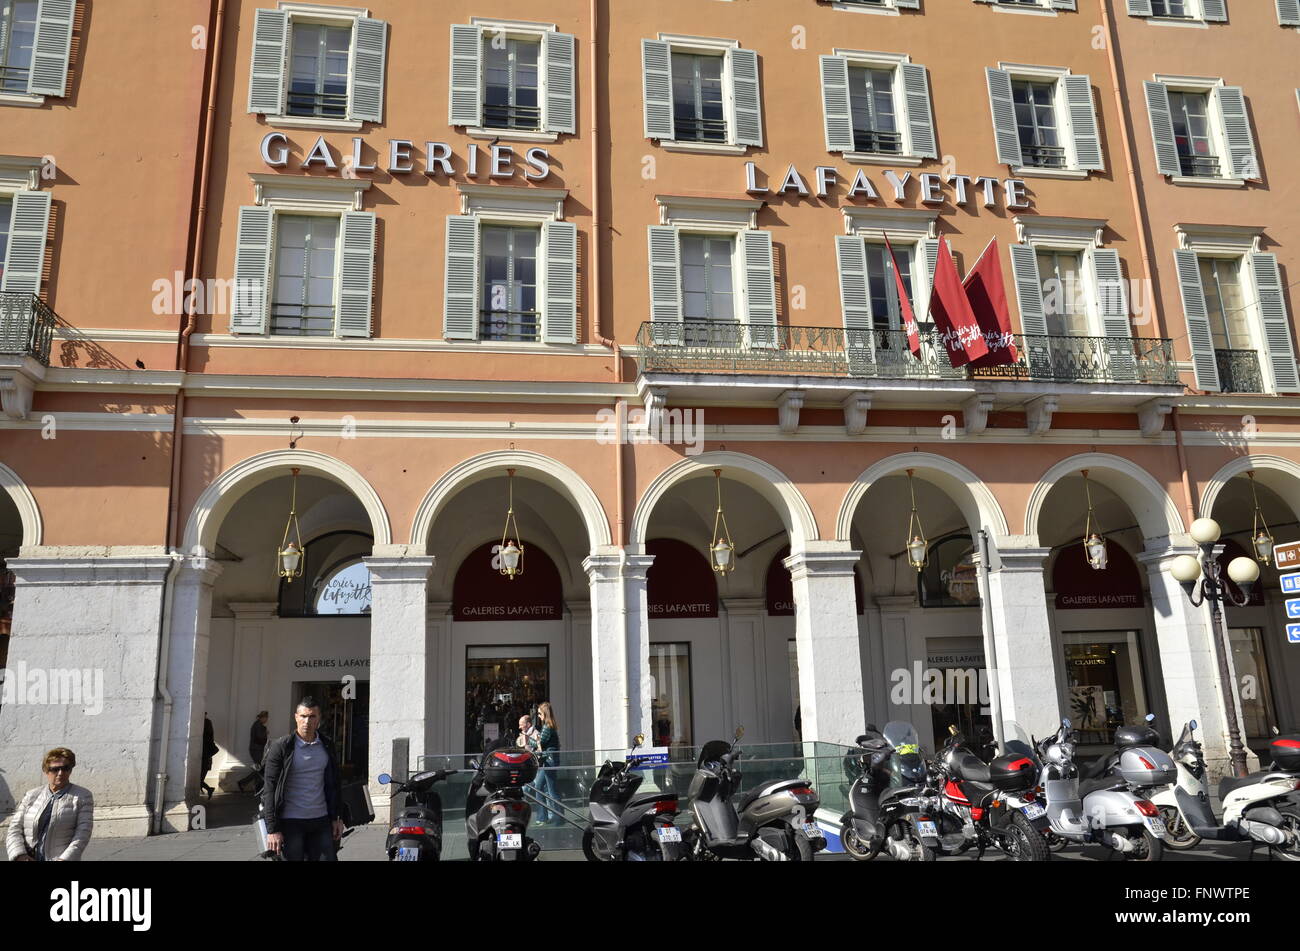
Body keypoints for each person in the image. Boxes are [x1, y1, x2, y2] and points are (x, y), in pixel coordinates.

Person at [260, 697, 344, 861]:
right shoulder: (281, 747)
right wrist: (272, 829)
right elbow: (270, 788)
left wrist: (336, 818)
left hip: (321, 819)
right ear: (296, 717)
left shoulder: (327, 745)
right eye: (303, 716)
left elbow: (334, 783)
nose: (307, 721)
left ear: (319, 719)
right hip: (291, 822)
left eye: (312, 716)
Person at [5, 747, 94, 862]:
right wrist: (20, 855)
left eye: (65, 768)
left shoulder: (82, 796)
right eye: (55, 769)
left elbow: (82, 834)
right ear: (46, 771)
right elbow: (15, 829)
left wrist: (64, 859)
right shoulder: (32, 795)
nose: (60, 773)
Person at [532, 701, 561, 826]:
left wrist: (528, 741)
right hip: (550, 761)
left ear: (544, 713)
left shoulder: (547, 727)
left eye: (539, 713)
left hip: (549, 762)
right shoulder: (549, 726)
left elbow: (541, 743)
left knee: (551, 790)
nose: (538, 716)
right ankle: (544, 817)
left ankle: (557, 818)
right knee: (540, 787)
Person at [237, 711, 270, 794]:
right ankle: (243, 783)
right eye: (266, 717)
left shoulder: (258, 725)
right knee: (260, 769)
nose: (267, 719)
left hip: (256, 749)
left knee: (259, 769)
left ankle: (256, 787)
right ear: (262, 717)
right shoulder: (258, 726)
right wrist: (265, 734)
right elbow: (259, 738)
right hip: (256, 749)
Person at [200, 714, 218, 800]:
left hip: (204, 759)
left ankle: (209, 789)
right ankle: (209, 789)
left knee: (199, 780)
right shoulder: (208, 740)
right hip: (206, 759)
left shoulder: (205, 741)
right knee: (199, 780)